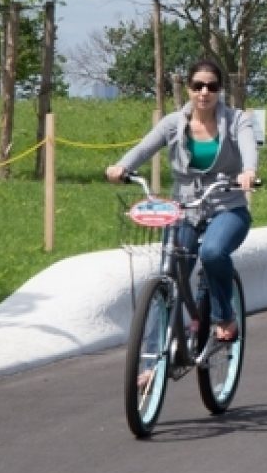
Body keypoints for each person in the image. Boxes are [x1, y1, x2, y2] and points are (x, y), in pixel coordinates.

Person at [106, 58, 258, 344]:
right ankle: (152, 359)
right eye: (198, 86)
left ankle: (224, 315)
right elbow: (143, 148)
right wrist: (121, 167)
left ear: (220, 90)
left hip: (227, 205)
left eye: (211, 87)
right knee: (170, 276)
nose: (204, 92)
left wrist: (248, 171)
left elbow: (249, 147)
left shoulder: (237, 120)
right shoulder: (173, 124)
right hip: (185, 209)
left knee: (213, 253)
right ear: (188, 88)